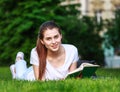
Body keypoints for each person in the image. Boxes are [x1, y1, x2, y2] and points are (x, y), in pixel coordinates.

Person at [10, 21, 79, 81]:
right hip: (32, 75)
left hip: (39, 66)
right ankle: (19, 61)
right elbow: (40, 81)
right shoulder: (35, 52)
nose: (54, 42)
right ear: (42, 41)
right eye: (48, 39)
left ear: (61, 36)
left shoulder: (72, 50)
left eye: (56, 37)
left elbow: (72, 78)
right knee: (19, 76)